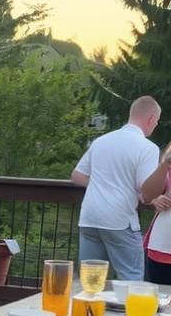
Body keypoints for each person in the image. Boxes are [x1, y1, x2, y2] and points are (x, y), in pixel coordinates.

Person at [71, 96, 161, 281]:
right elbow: (146, 193)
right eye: (157, 121)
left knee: (90, 281)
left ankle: (88, 310)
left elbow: (77, 176)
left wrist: (101, 184)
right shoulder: (147, 148)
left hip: (90, 217)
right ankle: (129, 311)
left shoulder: (102, 141)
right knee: (132, 277)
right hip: (119, 220)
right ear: (152, 119)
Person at [139, 142, 171, 284]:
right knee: (158, 299)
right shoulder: (167, 168)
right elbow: (146, 194)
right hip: (163, 248)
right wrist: (156, 199)